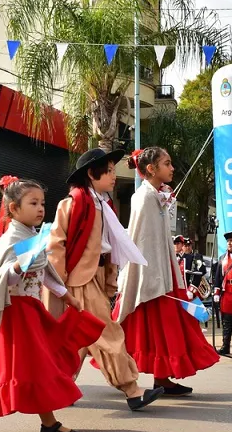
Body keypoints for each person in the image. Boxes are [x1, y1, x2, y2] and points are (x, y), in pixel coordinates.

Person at [0, 176, 106, 432]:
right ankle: (49, 425)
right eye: (33, 203)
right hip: (11, 312)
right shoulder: (12, 238)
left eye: (42, 202)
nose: (41, 208)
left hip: (28, 310)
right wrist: (19, 266)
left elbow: (44, 273)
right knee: (32, 366)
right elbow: (2, 278)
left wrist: (67, 296)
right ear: (14, 209)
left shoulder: (33, 235)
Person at [45, 147, 163, 412]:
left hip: (93, 276)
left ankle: (60, 386)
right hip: (79, 280)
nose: (113, 176)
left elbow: (108, 246)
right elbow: (56, 245)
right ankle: (132, 390)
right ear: (91, 173)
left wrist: (109, 278)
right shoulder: (74, 203)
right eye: (108, 171)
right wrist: (61, 285)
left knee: (79, 339)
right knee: (107, 333)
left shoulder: (101, 204)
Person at [114, 147, 220, 396]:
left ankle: (162, 378)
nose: (172, 168)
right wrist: (151, 277)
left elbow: (158, 240)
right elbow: (142, 240)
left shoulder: (156, 195)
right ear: (151, 169)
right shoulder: (145, 197)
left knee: (163, 328)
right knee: (141, 328)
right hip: (151, 273)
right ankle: (117, 375)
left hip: (163, 270)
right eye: (167, 163)